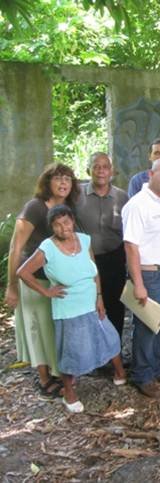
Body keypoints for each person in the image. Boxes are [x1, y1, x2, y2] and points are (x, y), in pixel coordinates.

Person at [17, 205, 126, 413]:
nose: (63, 227)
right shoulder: (47, 247)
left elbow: (94, 273)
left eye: (66, 222)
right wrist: (46, 292)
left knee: (109, 338)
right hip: (69, 308)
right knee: (72, 352)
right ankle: (69, 393)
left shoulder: (84, 240)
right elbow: (23, 272)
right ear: (52, 227)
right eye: (57, 224)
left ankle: (120, 373)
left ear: (73, 221)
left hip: (91, 302)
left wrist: (100, 297)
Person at [4, 163, 80, 398]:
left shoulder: (68, 207)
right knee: (38, 329)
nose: (63, 182)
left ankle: (59, 372)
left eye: (67, 178)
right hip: (33, 281)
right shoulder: (34, 207)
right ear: (47, 182)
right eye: (58, 178)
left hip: (59, 281)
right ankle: (45, 379)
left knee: (55, 328)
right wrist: (12, 286)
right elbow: (16, 248)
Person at [122, 159, 160, 397]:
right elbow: (131, 246)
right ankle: (142, 374)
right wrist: (138, 284)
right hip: (148, 273)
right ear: (150, 174)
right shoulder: (137, 205)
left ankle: (157, 367)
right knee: (147, 325)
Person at [76, 152, 128, 339]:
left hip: (114, 259)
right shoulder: (75, 194)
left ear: (112, 171)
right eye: (96, 166)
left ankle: (115, 354)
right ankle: (93, 355)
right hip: (84, 262)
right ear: (88, 169)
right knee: (88, 307)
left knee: (115, 307)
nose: (101, 171)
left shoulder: (122, 197)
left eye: (105, 167)